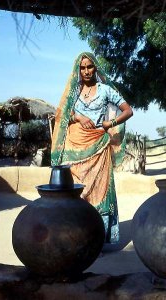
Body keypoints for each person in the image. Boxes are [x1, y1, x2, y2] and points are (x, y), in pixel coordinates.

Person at [51, 52, 133, 244]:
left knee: (99, 191)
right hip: (73, 147)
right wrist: (78, 117)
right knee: (75, 191)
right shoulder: (73, 91)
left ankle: (97, 239)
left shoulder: (105, 90)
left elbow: (128, 110)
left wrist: (110, 123)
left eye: (89, 67)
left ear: (95, 67)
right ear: (78, 70)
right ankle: (74, 237)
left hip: (98, 147)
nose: (86, 71)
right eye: (82, 67)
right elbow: (61, 114)